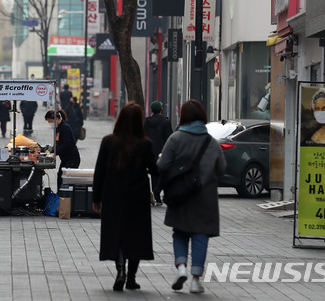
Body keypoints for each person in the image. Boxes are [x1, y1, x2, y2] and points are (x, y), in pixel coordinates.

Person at [157, 99, 226, 294]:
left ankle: (181, 268)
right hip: (205, 198)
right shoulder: (211, 142)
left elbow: (161, 167)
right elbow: (222, 169)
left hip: (180, 195)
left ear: (183, 117)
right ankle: (196, 280)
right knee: (200, 235)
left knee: (179, 232)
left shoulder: (175, 139)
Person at [92, 102, 158, 291]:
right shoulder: (145, 144)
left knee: (117, 233)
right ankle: (131, 277)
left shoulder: (108, 141)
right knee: (136, 235)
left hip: (113, 195)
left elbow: (99, 171)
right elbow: (154, 170)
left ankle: (120, 271)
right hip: (137, 197)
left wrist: (96, 198)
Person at [144, 101, 173, 205]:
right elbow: (169, 138)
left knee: (154, 174)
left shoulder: (147, 122)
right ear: (161, 109)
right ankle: (162, 195)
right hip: (163, 151)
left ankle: (157, 197)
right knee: (164, 173)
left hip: (150, 152)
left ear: (152, 110)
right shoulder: (166, 122)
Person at [44, 110, 80, 190]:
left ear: (56, 118)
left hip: (71, 159)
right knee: (60, 176)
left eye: (50, 121)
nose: (50, 124)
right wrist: (49, 152)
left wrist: (55, 154)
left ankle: (65, 198)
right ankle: (60, 196)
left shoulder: (65, 128)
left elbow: (66, 144)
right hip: (65, 159)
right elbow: (57, 144)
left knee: (65, 179)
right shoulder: (58, 128)